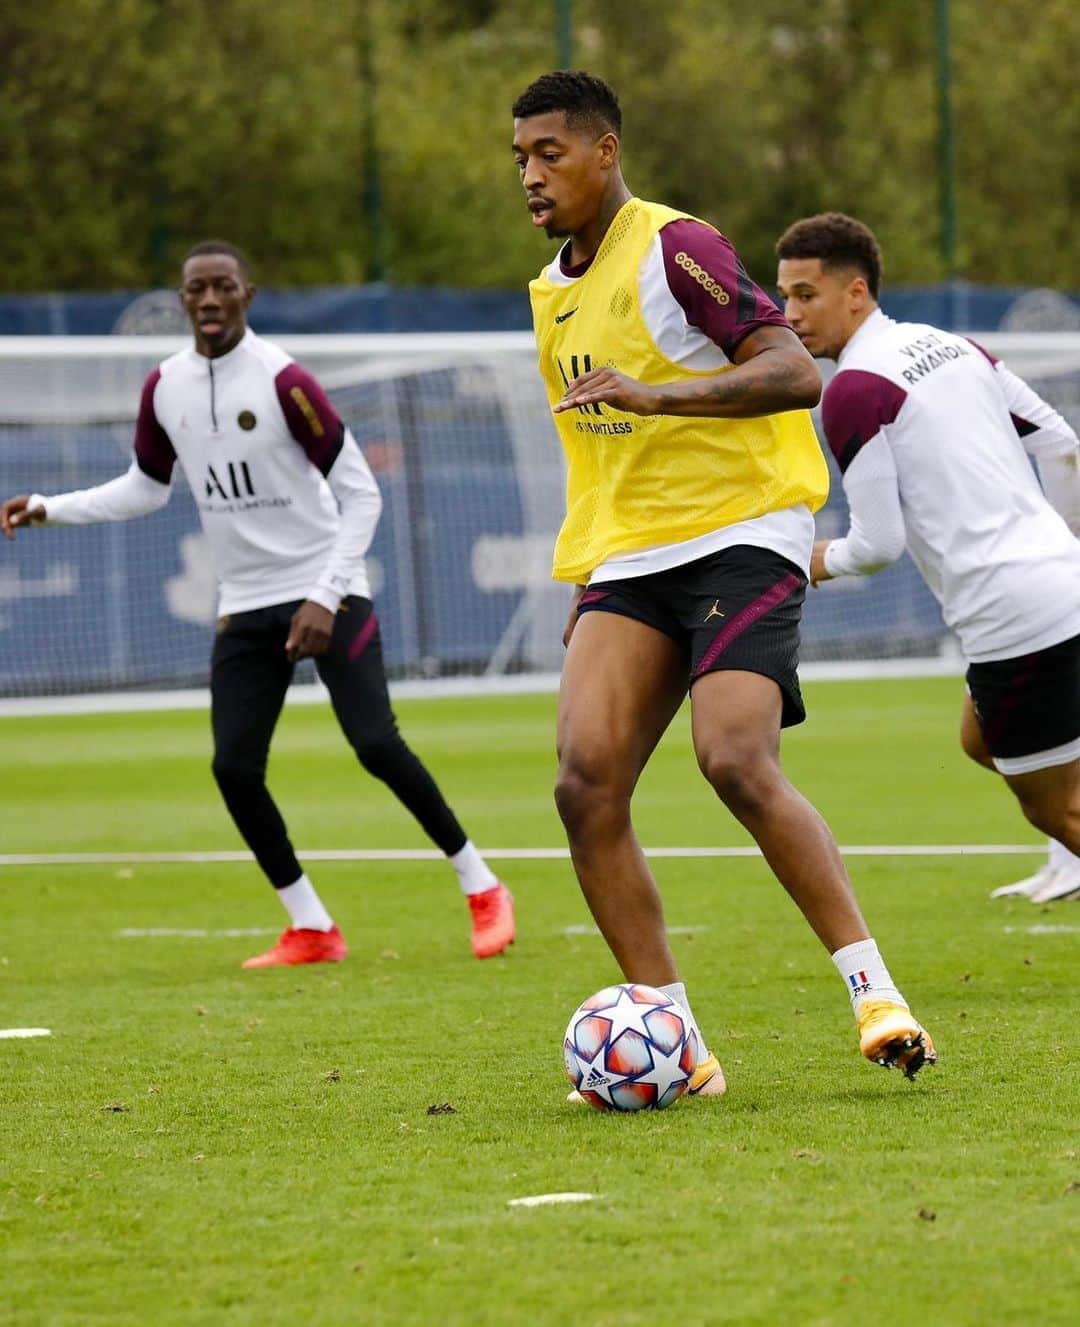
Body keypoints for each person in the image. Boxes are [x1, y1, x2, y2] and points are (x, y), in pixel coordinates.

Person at [510, 70, 935, 1097]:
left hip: (743, 534)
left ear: (606, 151)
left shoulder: (676, 247)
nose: (529, 175)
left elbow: (795, 370)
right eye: (519, 158)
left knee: (734, 757)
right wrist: (600, 560)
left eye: (549, 153)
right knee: (583, 781)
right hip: (629, 558)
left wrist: (660, 396)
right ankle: (675, 1039)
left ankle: (875, 993)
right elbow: (602, 452)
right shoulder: (551, 293)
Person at [1, 241, 515, 965]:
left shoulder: (285, 381)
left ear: (248, 294)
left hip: (326, 588)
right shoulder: (164, 387)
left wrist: (324, 595)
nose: (209, 300)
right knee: (234, 768)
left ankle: (482, 885)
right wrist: (51, 507)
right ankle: (311, 925)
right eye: (195, 289)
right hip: (245, 601)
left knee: (375, 743)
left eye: (223, 287)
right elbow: (146, 487)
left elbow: (361, 490)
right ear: (182, 301)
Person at [776, 211, 1080, 905]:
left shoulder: (852, 390)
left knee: (1053, 808)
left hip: (1012, 612)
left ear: (856, 293)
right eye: (784, 296)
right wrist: (1064, 548)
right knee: (980, 737)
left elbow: (876, 547)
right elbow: (1062, 442)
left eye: (805, 294)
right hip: (1063, 585)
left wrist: (803, 562)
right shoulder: (953, 346)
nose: (791, 313)